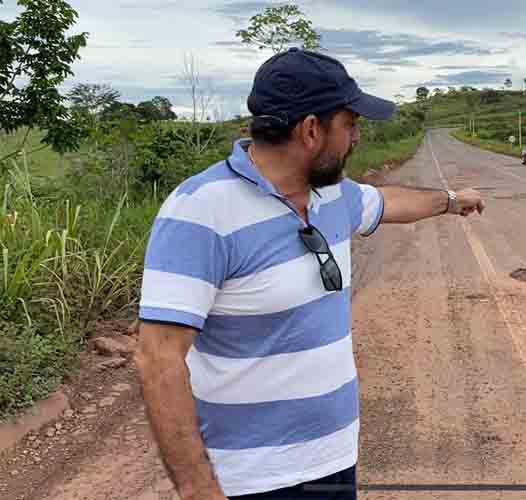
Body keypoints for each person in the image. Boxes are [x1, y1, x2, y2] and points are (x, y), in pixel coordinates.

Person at [135, 48, 485, 500]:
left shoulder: (333, 195)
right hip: (251, 480)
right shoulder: (200, 211)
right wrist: (199, 490)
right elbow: (157, 358)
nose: (357, 137)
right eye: (350, 124)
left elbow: (389, 202)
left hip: (334, 460)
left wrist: (451, 200)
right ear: (311, 130)